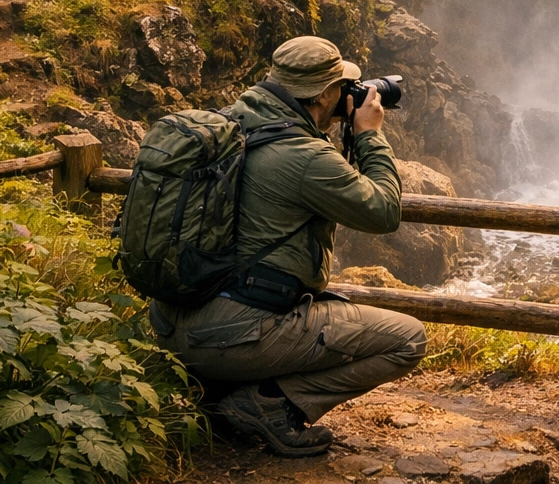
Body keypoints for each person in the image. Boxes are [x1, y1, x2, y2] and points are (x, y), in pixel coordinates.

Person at [148, 36, 428, 458]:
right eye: (343, 87)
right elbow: (384, 212)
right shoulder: (305, 156)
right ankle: (270, 405)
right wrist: (368, 135)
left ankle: (216, 390)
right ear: (325, 94)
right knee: (407, 338)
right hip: (231, 337)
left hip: (171, 323)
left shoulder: (228, 124)